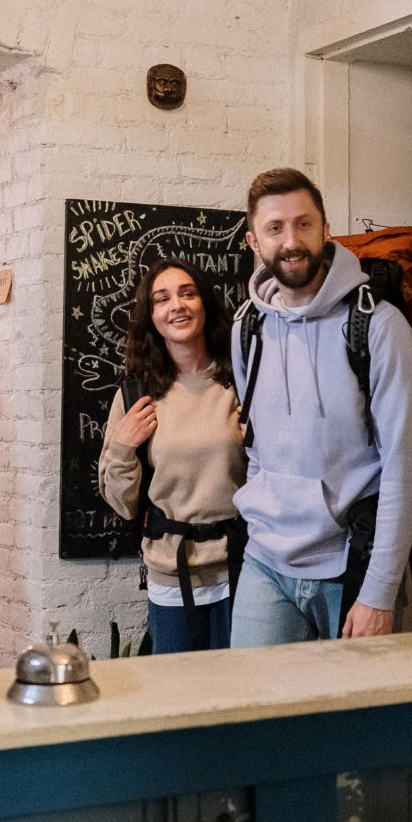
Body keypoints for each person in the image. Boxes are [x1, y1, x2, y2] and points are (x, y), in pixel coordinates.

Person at [229, 168, 412, 646]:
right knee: (254, 715)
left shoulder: (378, 327)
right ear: (254, 240)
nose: (291, 240)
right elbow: (256, 447)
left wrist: (380, 592)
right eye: (275, 228)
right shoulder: (247, 328)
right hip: (264, 563)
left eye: (303, 224)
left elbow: (406, 468)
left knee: (352, 720)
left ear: (324, 228)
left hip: (350, 566)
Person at [98, 258, 247, 653]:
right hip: (171, 573)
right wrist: (123, 445)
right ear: (151, 317)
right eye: (161, 299)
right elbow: (123, 505)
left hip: (244, 568)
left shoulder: (240, 381)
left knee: (246, 693)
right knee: (179, 700)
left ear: (204, 304)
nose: (176, 305)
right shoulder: (136, 395)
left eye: (187, 293)